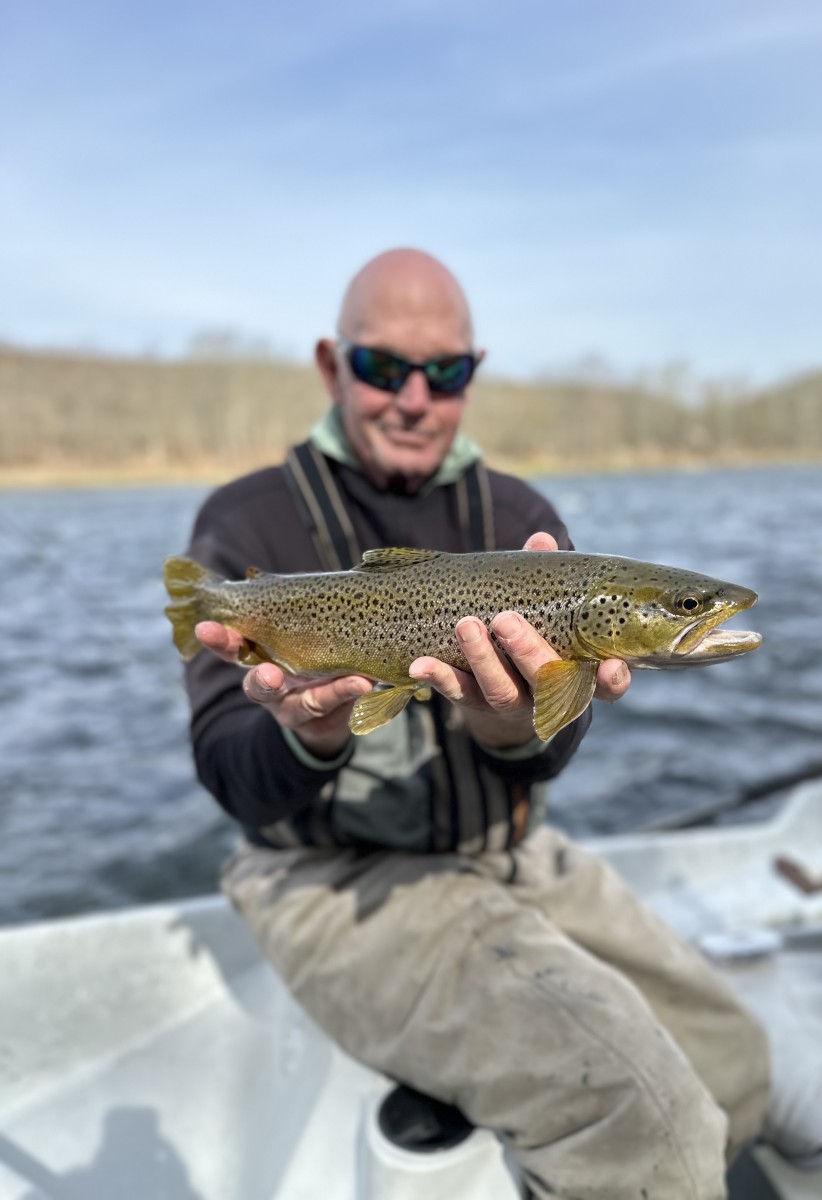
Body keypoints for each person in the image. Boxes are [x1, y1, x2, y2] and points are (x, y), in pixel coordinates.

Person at [180, 247, 769, 1200]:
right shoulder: (247, 527)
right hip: (327, 876)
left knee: (738, 1067)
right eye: (383, 368)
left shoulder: (523, 516)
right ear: (333, 366)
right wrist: (312, 732)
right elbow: (225, 767)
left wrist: (512, 728)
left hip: (508, 844)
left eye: (445, 372)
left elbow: (546, 755)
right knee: (644, 1124)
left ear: (471, 375)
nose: (415, 396)